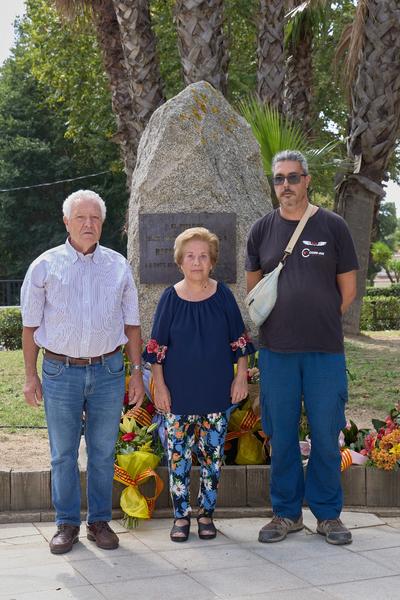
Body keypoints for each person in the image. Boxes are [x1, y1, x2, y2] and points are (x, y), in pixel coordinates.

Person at [21, 189, 145, 554]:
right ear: (66, 222)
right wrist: (31, 376)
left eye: (95, 219)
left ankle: (100, 522)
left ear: (102, 223)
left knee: (103, 451)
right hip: (60, 372)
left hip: (108, 370)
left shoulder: (118, 265)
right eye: (81, 218)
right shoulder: (45, 266)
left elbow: (133, 325)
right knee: (62, 452)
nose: (88, 224)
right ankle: (66, 524)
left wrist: (135, 372)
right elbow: (29, 326)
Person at [246, 150, 359, 546]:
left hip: (325, 352)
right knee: (280, 434)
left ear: (307, 180)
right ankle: (286, 513)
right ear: (273, 184)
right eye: (279, 178)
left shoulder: (333, 226)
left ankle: (328, 515)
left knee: (327, 434)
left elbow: (348, 290)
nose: (286, 185)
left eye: (294, 177)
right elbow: (255, 290)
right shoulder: (260, 230)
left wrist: (317, 320)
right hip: (276, 352)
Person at [143, 227, 254, 542]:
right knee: (178, 458)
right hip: (178, 395)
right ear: (179, 262)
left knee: (212, 459)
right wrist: (160, 387)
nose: (196, 262)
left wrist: (241, 376)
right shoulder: (170, 298)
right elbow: (156, 350)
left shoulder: (223, 296)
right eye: (190, 256)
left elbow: (240, 341)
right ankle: (181, 517)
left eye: (203, 256)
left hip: (216, 393)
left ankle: (206, 514)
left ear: (212, 262)